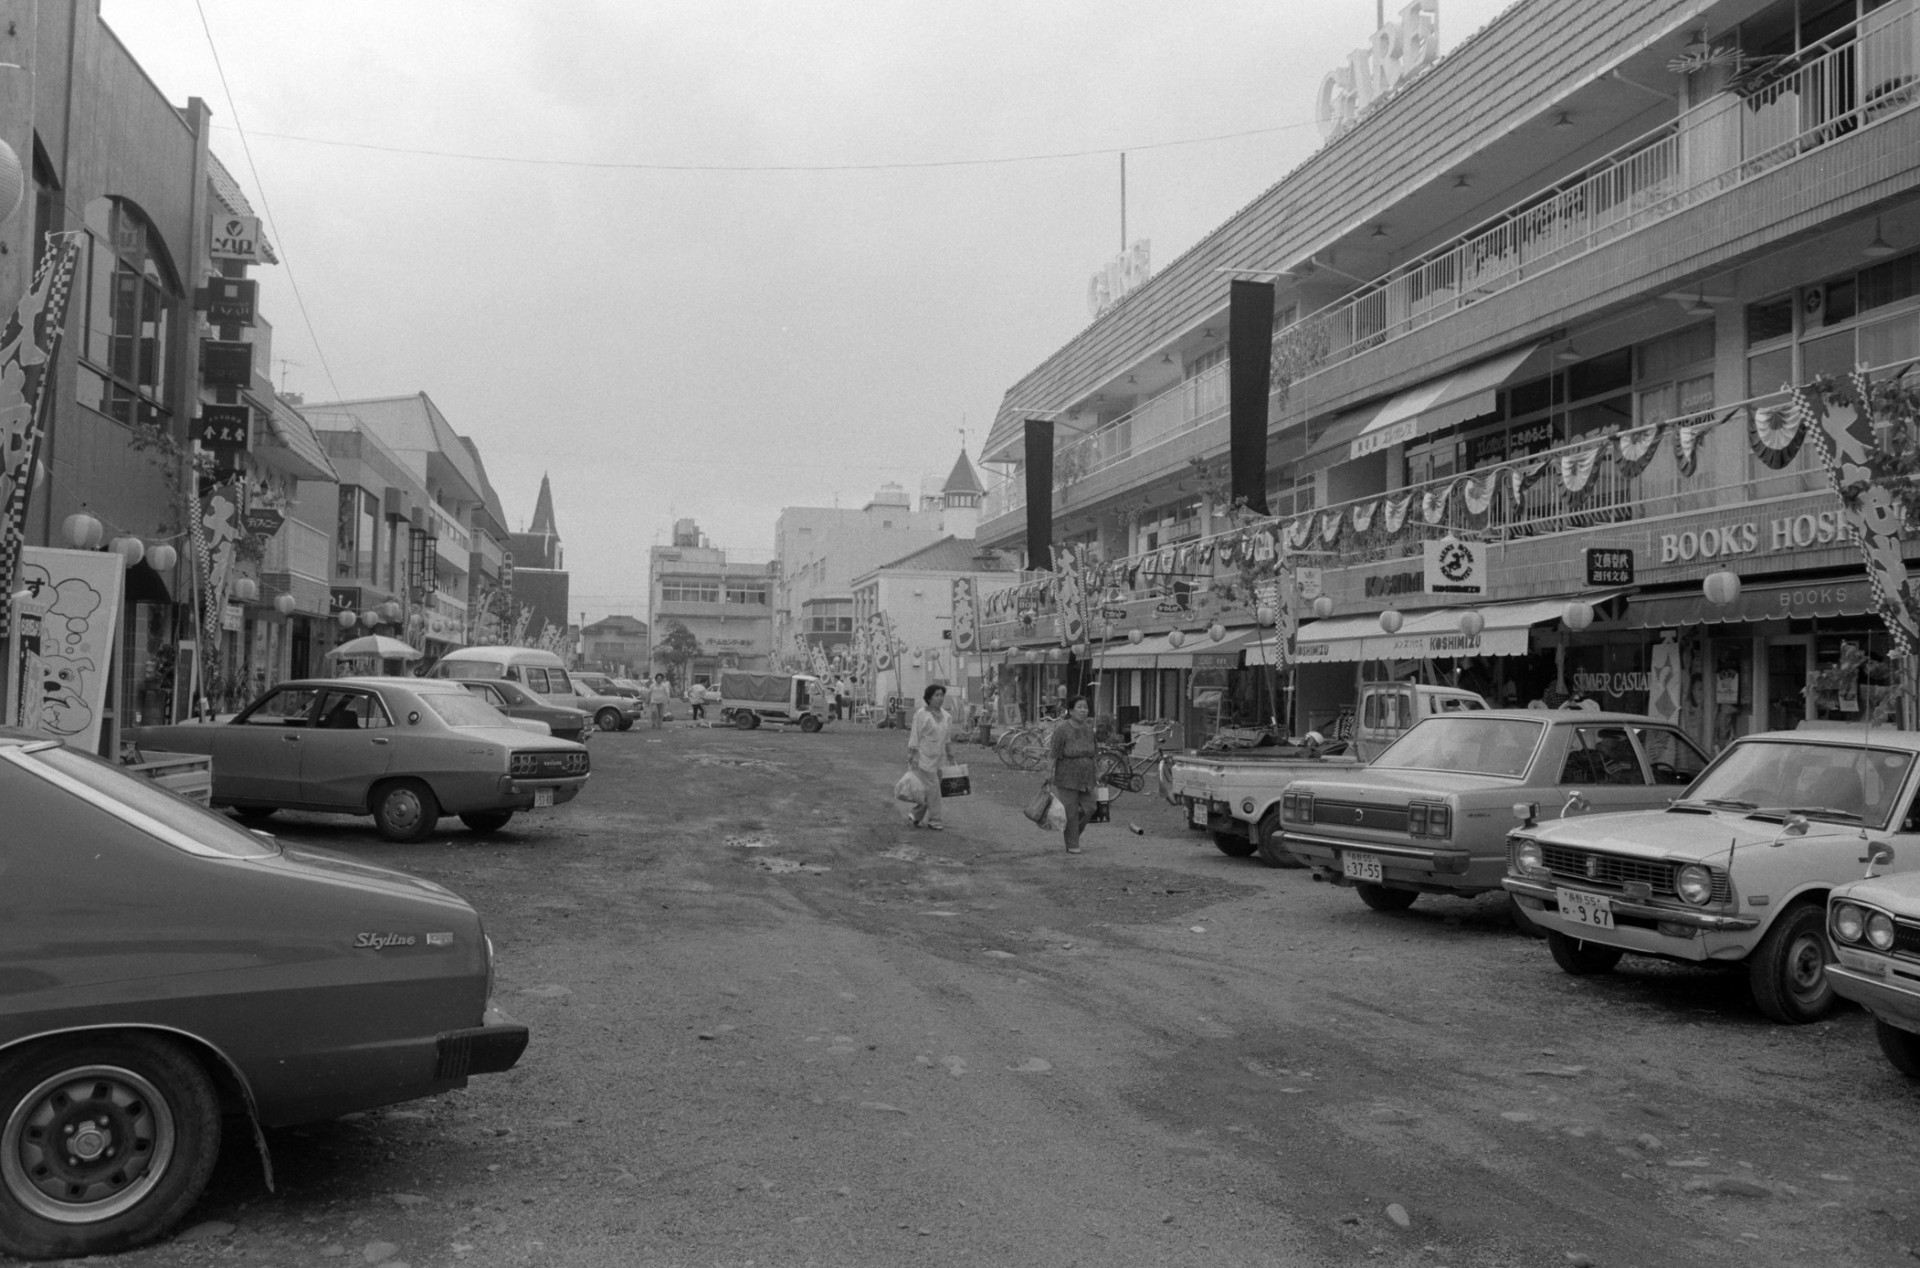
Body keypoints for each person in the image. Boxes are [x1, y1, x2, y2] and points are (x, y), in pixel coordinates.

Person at [1049, 694, 1100, 855]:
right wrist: (1048, 772)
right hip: (1067, 776)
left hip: (1087, 775)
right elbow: (1054, 753)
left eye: (1085, 707)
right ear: (1070, 711)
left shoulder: (1088, 729)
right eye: (1079, 707)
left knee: (1090, 807)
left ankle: (1073, 835)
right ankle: (1072, 844)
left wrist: (1098, 770)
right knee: (1070, 811)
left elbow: (1094, 752)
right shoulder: (1062, 729)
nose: (1083, 710)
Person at [905, 683, 956, 830]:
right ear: (929, 698)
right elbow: (915, 735)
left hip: (940, 758)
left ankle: (916, 814)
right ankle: (935, 820)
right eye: (936, 695)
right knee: (933, 788)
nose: (940, 698)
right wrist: (911, 753)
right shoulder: (921, 714)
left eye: (942, 695)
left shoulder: (947, 716)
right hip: (924, 757)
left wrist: (950, 752)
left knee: (932, 789)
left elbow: (946, 737)